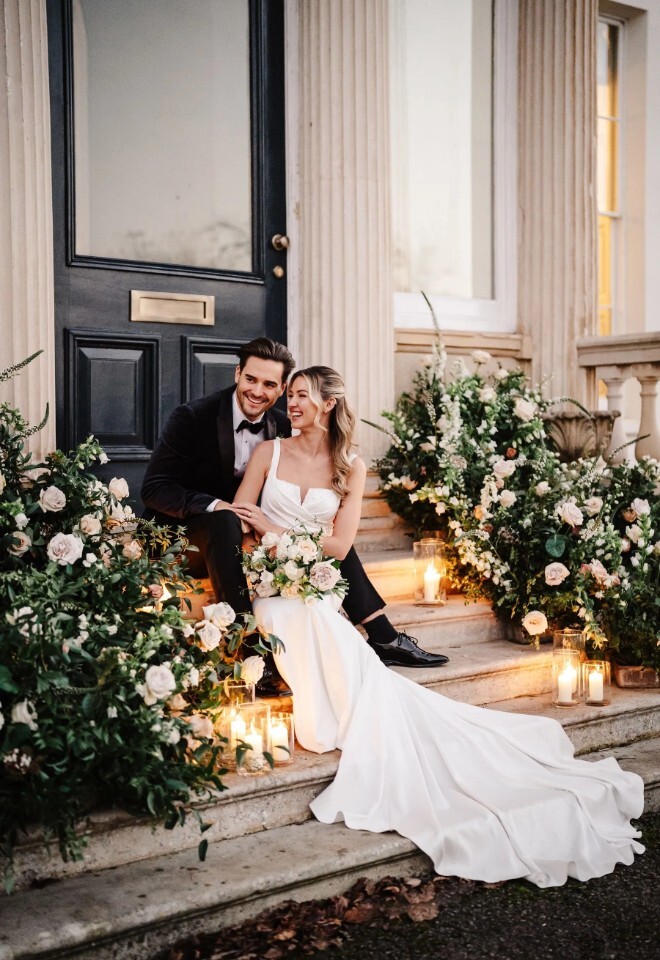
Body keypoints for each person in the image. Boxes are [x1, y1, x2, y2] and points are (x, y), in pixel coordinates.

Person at [231, 365, 644, 888]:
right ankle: (344, 698)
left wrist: (279, 537)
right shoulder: (268, 454)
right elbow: (242, 521)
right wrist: (264, 558)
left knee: (315, 614)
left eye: (301, 396)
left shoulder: (350, 467)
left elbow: (337, 547)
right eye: (288, 396)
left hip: (310, 582)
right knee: (297, 613)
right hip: (269, 587)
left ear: (328, 404)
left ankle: (357, 706)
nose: (290, 404)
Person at [141, 338, 448, 695]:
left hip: (246, 530)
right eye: (251, 379)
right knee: (243, 524)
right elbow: (155, 489)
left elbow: (317, 519)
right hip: (184, 536)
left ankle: (383, 636)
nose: (258, 391)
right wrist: (216, 506)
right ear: (237, 373)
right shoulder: (192, 416)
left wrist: (270, 531)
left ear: (282, 387)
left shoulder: (284, 423)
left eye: (271, 385)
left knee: (321, 536)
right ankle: (248, 646)